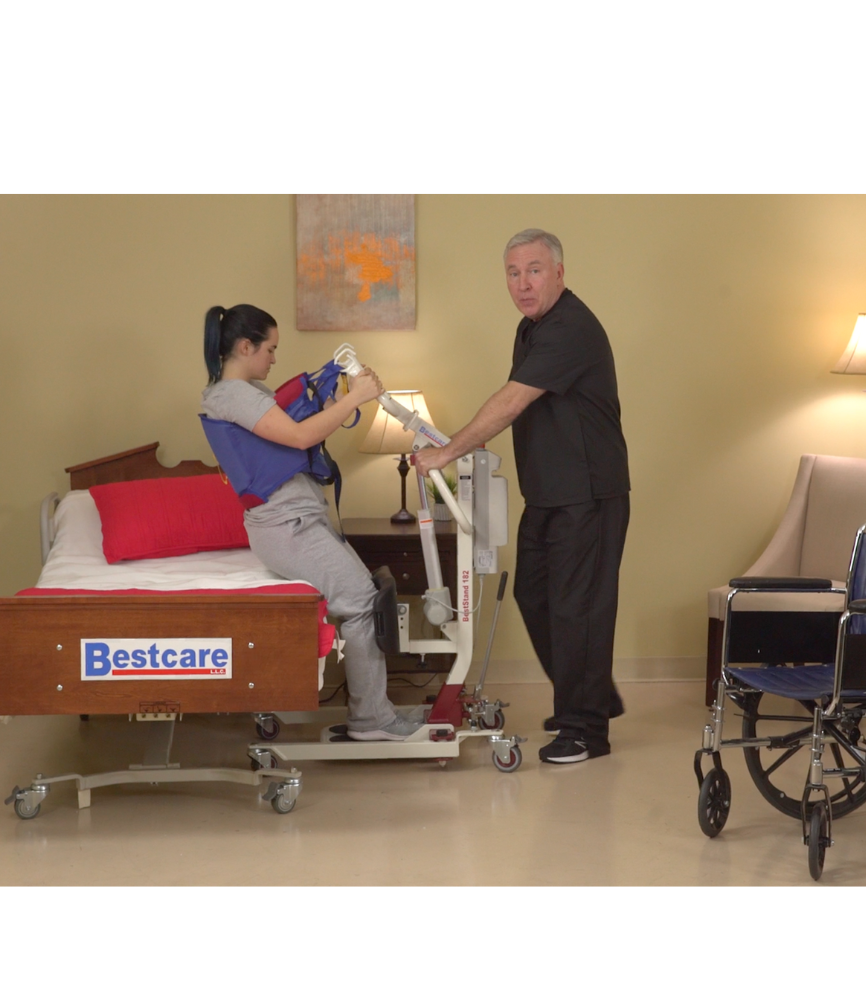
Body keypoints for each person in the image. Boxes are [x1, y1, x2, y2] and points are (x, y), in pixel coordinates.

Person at [414, 230, 629, 764]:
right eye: (513, 272)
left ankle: (585, 730)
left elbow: (512, 400)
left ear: (559, 272)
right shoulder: (530, 329)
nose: (523, 283)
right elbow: (524, 401)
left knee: (577, 609)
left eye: (534, 270)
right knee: (535, 595)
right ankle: (591, 697)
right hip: (550, 493)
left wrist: (448, 452)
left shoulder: (570, 327)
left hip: (588, 494)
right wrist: (468, 440)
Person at [201, 303, 424, 741]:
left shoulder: (238, 394)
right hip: (287, 526)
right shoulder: (234, 395)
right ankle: (372, 720)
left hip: (295, 521)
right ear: (245, 347)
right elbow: (302, 437)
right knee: (363, 601)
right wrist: (357, 399)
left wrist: (341, 401)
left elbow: (294, 435)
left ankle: (373, 711)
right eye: (270, 349)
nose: (273, 359)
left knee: (366, 593)